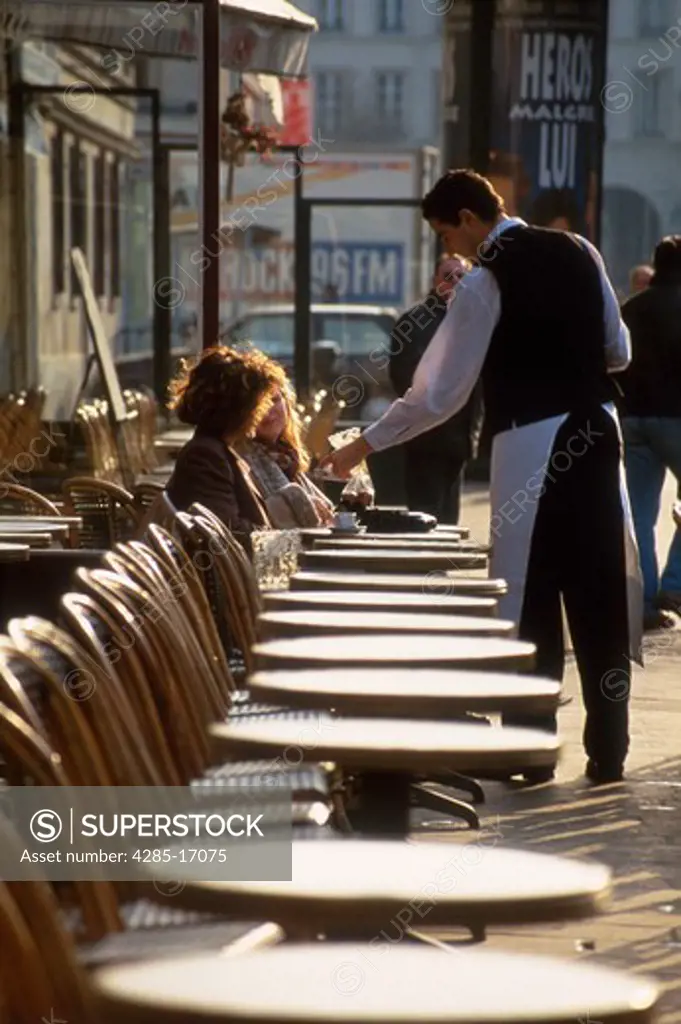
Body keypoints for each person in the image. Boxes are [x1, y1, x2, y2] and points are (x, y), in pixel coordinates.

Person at [322, 168, 642, 785]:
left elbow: (438, 394)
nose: (450, 250)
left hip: (530, 441)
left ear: (469, 218)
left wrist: (362, 443)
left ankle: (529, 750)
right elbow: (618, 350)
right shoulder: (582, 249)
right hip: (599, 433)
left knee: (531, 598)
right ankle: (610, 752)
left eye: (448, 234)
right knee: (601, 588)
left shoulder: (484, 283)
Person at [389, 255, 483, 523]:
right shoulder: (414, 322)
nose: (454, 283)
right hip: (424, 436)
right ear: (435, 281)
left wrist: (472, 433)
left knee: (449, 517)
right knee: (424, 515)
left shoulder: (472, 320)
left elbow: (478, 381)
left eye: (461, 277)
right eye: (447, 276)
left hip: (457, 438)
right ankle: (424, 565)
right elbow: (402, 377)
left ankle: (442, 566)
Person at [617, 235, 681, 630]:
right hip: (677, 418)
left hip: (634, 420)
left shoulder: (632, 309)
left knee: (639, 511)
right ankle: (674, 584)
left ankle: (640, 602)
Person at [164, 345, 283, 553]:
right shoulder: (205, 455)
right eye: (260, 405)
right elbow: (225, 533)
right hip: (226, 583)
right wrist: (288, 539)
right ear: (239, 409)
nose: (263, 413)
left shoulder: (220, 450)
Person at [237, 384, 336, 528]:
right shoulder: (241, 456)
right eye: (258, 405)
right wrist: (301, 502)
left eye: (274, 400)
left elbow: (326, 513)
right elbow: (259, 521)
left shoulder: (286, 457)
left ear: (287, 403)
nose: (268, 412)